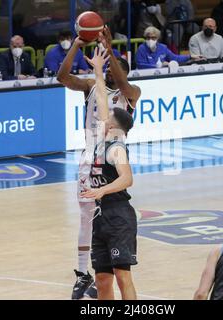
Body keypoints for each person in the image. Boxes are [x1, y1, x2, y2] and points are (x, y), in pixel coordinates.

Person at [57, 26, 141, 300]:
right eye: (105, 70)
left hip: (110, 156)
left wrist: (109, 47)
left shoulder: (131, 92)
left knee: (108, 209)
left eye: (112, 70)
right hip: (89, 157)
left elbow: (119, 79)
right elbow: (62, 77)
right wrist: (77, 47)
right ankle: (84, 274)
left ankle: (108, 267)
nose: (108, 73)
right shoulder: (96, 88)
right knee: (87, 218)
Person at [81, 46, 137, 300]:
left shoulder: (116, 148)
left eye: (108, 117)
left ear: (116, 125)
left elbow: (127, 179)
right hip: (101, 215)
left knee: (122, 276)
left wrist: (100, 190)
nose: (103, 117)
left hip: (118, 215)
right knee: (103, 280)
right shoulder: (104, 137)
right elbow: (103, 99)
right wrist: (97, 71)